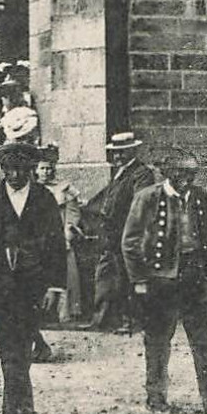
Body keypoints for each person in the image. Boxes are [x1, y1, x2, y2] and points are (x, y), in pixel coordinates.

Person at [123, 149, 207, 414]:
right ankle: (156, 396)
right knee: (158, 340)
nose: (186, 179)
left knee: (203, 341)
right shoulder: (148, 198)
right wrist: (140, 279)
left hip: (194, 277)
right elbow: (130, 242)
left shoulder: (200, 198)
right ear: (167, 173)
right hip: (160, 279)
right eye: (180, 174)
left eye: (190, 174)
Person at [0, 141, 67, 414]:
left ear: (30, 170)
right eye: (9, 169)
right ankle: (17, 409)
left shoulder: (43, 199)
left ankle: (18, 407)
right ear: (2, 169)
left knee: (24, 345)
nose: (14, 175)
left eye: (21, 169)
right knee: (8, 345)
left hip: (32, 284)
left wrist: (55, 286)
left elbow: (56, 244)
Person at [90, 132, 158, 332]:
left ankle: (132, 321)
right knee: (108, 275)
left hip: (128, 232)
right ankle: (102, 320)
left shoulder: (141, 173)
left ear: (133, 151)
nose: (118, 157)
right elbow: (106, 197)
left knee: (129, 276)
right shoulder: (120, 172)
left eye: (122, 153)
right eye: (115, 153)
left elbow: (141, 202)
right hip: (111, 233)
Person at [36, 147, 89, 324]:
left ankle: (65, 312)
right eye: (42, 168)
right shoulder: (31, 189)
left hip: (59, 235)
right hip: (37, 238)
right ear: (36, 169)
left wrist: (66, 236)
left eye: (49, 168)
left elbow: (73, 215)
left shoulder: (65, 188)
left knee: (65, 272)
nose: (46, 172)